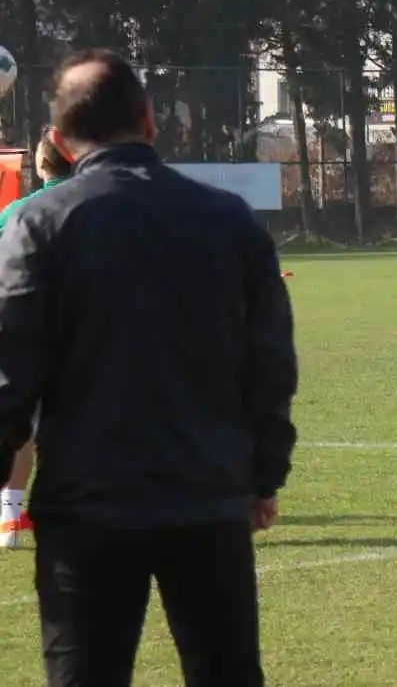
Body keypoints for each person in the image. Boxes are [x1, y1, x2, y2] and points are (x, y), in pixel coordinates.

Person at [0, 49, 297, 686]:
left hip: (86, 508)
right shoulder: (229, 219)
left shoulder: (37, 223)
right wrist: (263, 474)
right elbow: (270, 362)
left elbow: (10, 374)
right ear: (150, 120)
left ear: (57, 139)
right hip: (207, 497)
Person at [0, 134, 73, 549]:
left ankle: (10, 517)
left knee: (20, 422)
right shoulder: (96, 206)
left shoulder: (14, 211)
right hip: (79, 328)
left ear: (41, 166)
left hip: (18, 324)